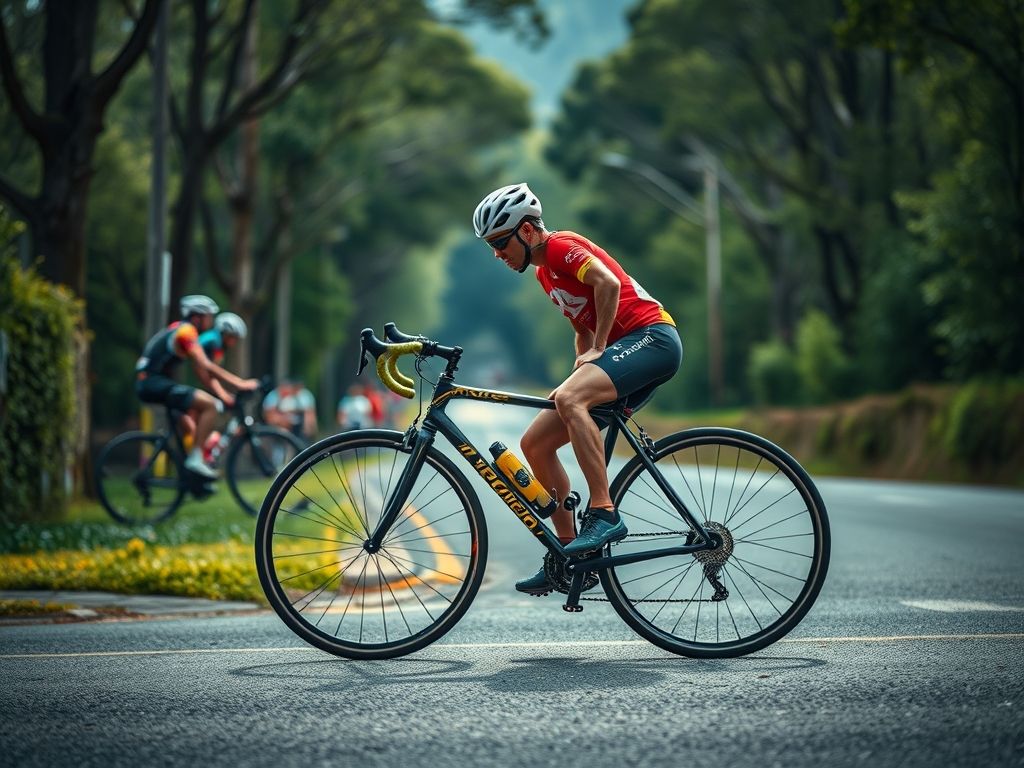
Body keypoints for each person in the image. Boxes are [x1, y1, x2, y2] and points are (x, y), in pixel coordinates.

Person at [472, 183, 683, 595]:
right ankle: (568, 554)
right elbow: (581, 330)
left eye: (500, 243)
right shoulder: (544, 276)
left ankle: (605, 513)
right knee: (534, 443)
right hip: (624, 350)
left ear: (528, 231)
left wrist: (599, 351)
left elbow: (608, 284)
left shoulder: (559, 248)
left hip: (653, 339)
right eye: (491, 247)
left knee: (570, 399)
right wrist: (580, 367)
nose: (497, 254)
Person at [135, 295, 259, 479]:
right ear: (197, 317)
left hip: (152, 383)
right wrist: (240, 383)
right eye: (209, 317)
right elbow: (206, 366)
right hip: (153, 383)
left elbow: (204, 372)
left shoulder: (180, 329)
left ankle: (193, 471)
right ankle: (196, 460)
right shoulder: (187, 332)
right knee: (211, 406)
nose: (211, 321)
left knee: (193, 424)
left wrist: (225, 392)